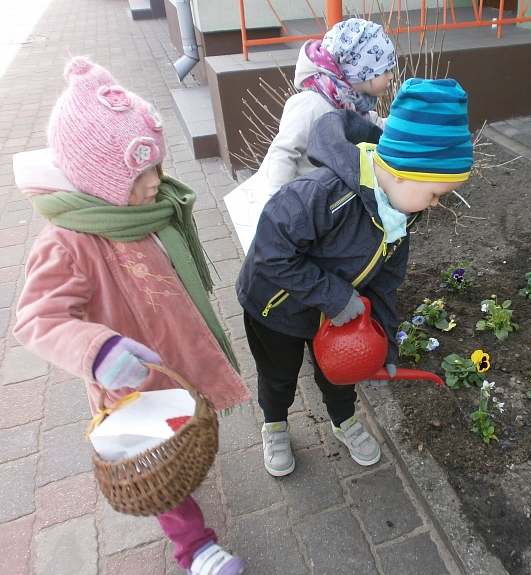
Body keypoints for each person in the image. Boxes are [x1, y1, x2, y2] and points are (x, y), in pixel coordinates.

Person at [12, 57, 250, 575]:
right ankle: (195, 548)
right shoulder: (67, 240)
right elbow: (36, 318)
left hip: (174, 356)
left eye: (157, 168)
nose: (155, 185)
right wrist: (96, 351)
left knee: (180, 437)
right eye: (139, 175)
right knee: (155, 463)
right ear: (95, 179)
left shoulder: (142, 210)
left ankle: (187, 461)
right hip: (128, 378)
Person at [236, 77, 474, 477]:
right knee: (278, 375)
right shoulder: (323, 193)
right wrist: (334, 295)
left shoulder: (399, 217)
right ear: (402, 172)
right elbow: (270, 254)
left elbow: (385, 285)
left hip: (332, 316)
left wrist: (386, 350)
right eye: (435, 194)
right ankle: (275, 424)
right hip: (274, 307)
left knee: (339, 372)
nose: (434, 205)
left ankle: (343, 419)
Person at [224, 17, 396, 252]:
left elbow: (377, 129)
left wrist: (410, 124)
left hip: (323, 206)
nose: (391, 76)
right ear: (360, 69)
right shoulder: (311, 103)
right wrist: (279, 210)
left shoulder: (354, 105)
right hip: (297, 208)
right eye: (385, 69)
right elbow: (283, 152)